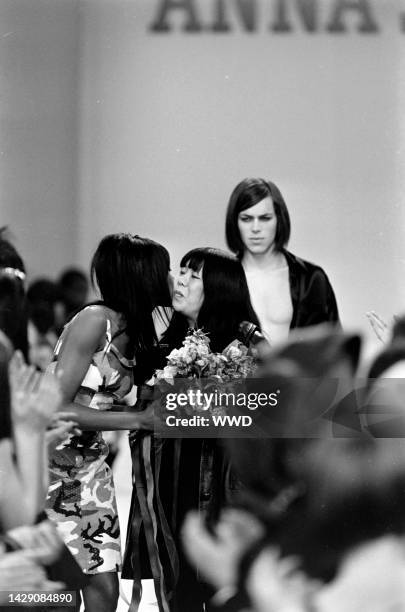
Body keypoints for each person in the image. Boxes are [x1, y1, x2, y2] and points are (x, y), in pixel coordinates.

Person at [122, 247, 260, 612]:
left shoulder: (246, 349)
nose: (179, 281)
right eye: (180, 271)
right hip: (173, 489)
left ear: (218, 289)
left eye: (192, 275)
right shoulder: (165, 348)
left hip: (219, 494)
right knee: (177, 591)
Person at [45, 233, 172, 612]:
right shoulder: (93, 321)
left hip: (92, 469)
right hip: (54, 466)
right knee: (60, 592)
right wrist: (137, 420)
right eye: (164, 270)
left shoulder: (136, 330)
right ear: (141, 276)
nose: (170, 279)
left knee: (104, 588)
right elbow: (53, 409)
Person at [225, 178, 339, 345]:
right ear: (235, 222)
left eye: (265, 218)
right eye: (247, 218)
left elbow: (333, 346)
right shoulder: (220, 279)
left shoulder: (310, 278)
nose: (256, 228)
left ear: (279, 219)